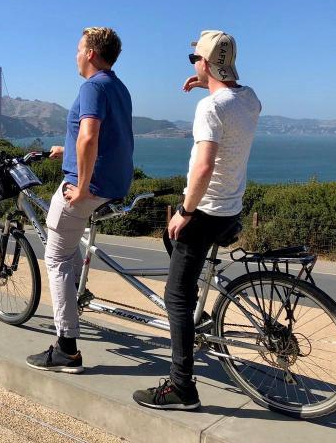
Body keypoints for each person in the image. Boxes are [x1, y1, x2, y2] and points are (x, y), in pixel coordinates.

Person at [133, 30, 261, 410]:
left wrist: (185, 211)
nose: (192, 66)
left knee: (175, 298)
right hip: (231, 208)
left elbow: (204, 166)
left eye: (195, 61)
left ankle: (181, 387)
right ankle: (196, 309)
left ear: (205, 63)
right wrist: (210, 83)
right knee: (173, 249)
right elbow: (233, 99)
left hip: (204, 212)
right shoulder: (250, 99)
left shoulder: (210, 109)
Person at [26, 27, 134, 373]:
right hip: (116, 184)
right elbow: (97, 137)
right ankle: (73, 298)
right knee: (69, 251)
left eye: (77, 49)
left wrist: (83, 185)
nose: (74, 55)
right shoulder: (118, 86)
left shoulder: (91, 86)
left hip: (89, 188)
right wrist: (66, 150)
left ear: (90, 53)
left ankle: (67, 348)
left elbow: (89, 137)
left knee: (56, 258)